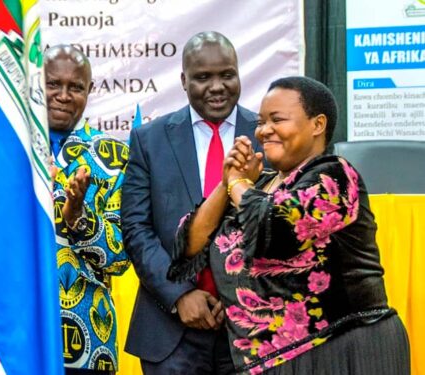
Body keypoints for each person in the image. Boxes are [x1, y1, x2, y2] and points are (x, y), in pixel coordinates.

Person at [169, 76, 410, 374]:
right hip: (267, 362)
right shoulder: (256, 186)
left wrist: (238, 183)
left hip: (342, 348)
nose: (263, 130)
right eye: (261, 122)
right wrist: (227, 181)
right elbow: (187, 242)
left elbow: (278, 227)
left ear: (317, 124)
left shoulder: (335, 176)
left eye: (277, 119)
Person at [121, 31, 259, 374]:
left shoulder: (267, 135)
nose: (217, 86)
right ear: (184, 80)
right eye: (203, 77)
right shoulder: (148, 140)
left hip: (252, 328)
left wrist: (240, 297)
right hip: (170, 330)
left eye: (227, 75)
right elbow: (137, 229)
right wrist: (179, 295)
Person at [46, 45, 130, 374]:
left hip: (87, 333)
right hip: (11, 328)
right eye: (53, 84)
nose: (64, 95)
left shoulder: (111, 156)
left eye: (76, 87)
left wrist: (78, 217)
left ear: (90, 90)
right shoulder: (7, 147)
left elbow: (121, 257)